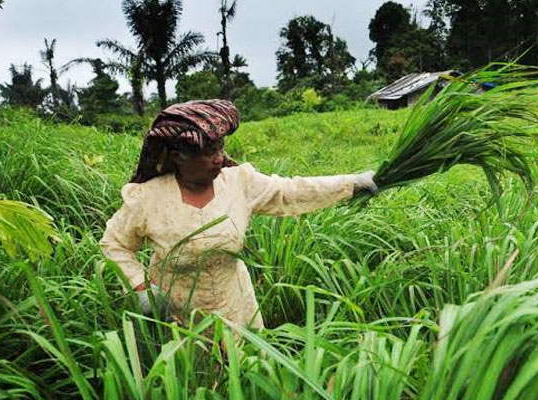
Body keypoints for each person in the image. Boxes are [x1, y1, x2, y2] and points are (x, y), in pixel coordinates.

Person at [99, 99, 377, 329]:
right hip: (180, 320)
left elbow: (291, 191)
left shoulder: (238, 182)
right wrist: (141, 287)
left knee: (244, 379)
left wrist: (351, 183)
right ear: (177, 157)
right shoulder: (148, 198)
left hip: (238, 311)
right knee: (192, 389)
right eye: (208, 152)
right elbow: (115, 244)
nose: (219, 157)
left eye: (220, 148)